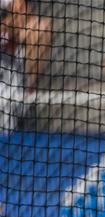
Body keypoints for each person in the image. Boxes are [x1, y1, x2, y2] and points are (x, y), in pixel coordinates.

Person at [0, 0, 51, 131]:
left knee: (41, 28)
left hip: (14, 76)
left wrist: (12, 25)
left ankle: (27, 91)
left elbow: (22, 17)